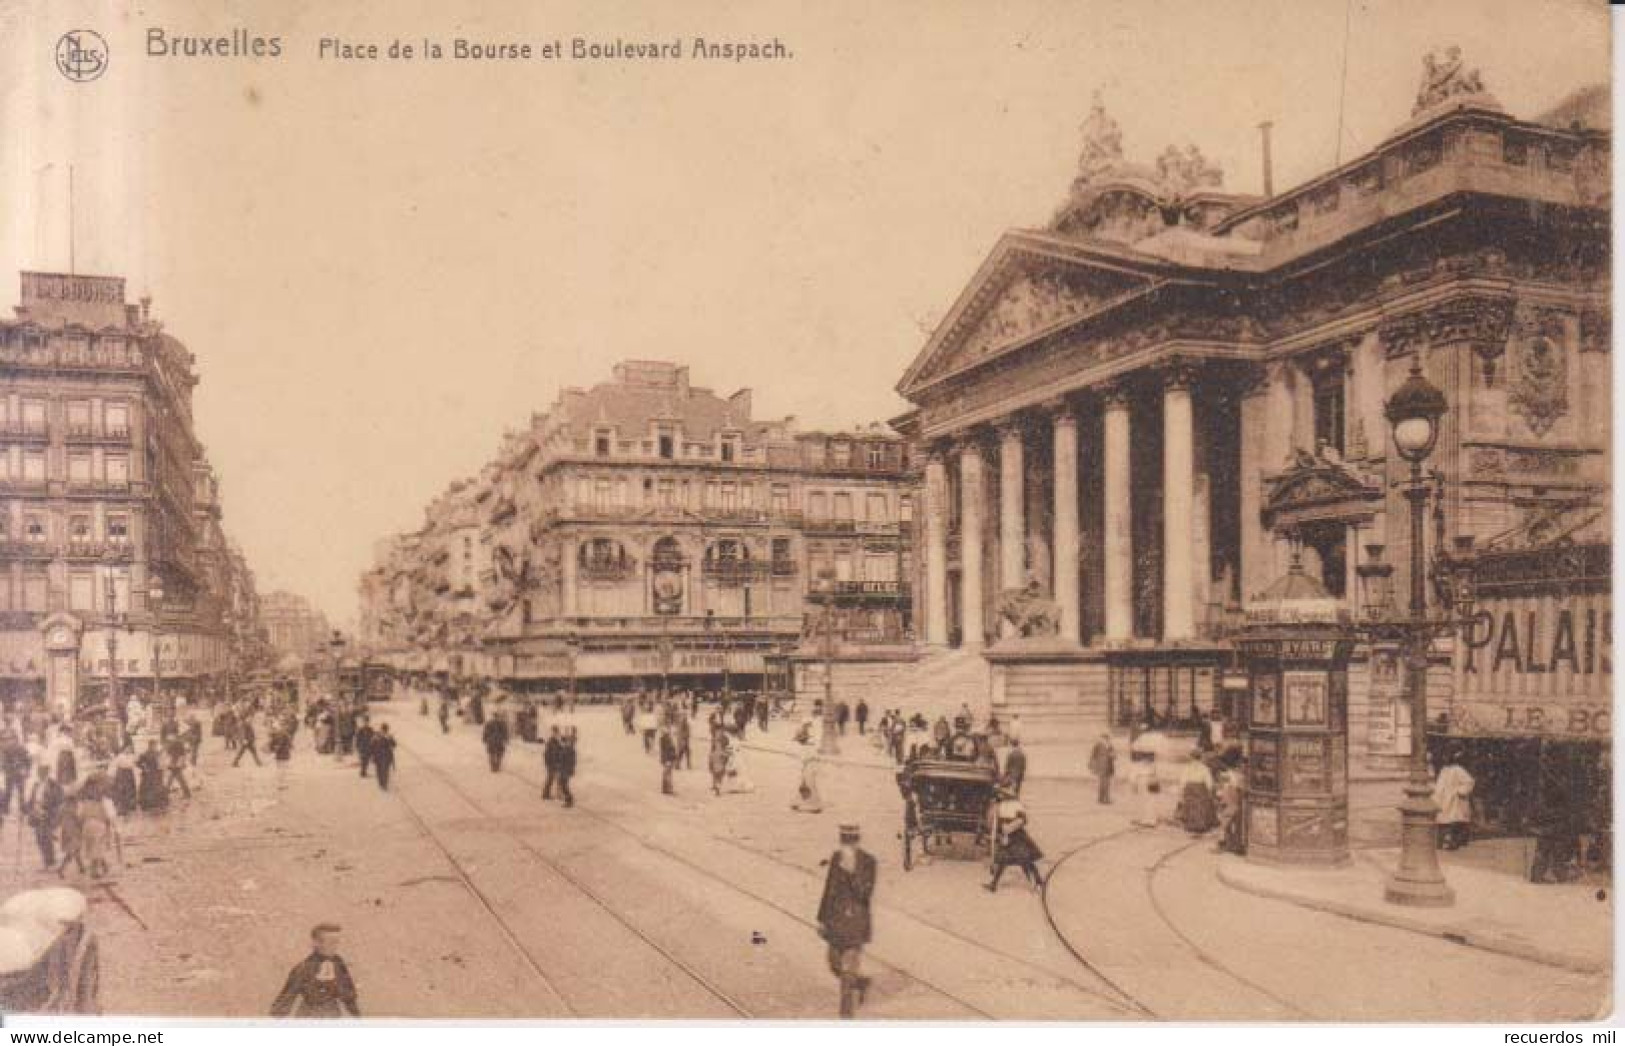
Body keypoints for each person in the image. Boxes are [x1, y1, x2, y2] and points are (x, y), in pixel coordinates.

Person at [817, 824, 875, 1018]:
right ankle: (861, 983)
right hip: (835, 923)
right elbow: (828, 889)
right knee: (834, 964)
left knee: (847, 974)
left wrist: (850, 872)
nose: (846, 845)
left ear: (856, 841)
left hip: (855, 925)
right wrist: (822, 919)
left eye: (849, 841)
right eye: (844, 840)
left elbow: (864, 893)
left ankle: (846, 1018)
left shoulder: (868, 862)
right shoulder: (836, 858)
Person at [270, 923, 361, 1018]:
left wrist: (357, 1016)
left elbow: (349, 992)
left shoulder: (338, 962)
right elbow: (287, 997)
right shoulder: (304, 967)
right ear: (316, 943)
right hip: (309, 1014)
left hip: (333, 1013)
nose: (335, 946)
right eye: (331, 942)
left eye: (337, 942)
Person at [986, 783, 1045, 893]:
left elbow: (1023, 820)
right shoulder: (1001, 805)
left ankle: (1038, 881)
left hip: (1017, 836)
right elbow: (997, 822)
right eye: (1000, 793)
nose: (1001, 795)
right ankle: (993, 884)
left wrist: (1009, 828)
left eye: (1002, 793)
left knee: (1025, 860)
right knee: (1003, 859)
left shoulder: (1016, 805)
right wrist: (1000, 833)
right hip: (1006, 836)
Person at [1433, 748, 1475, 850]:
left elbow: (1469, 781)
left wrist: (1460, 791)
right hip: (1444, 798)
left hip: (1455, 800)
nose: (1445, 759)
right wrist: (1436, 795)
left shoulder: (1458, 769)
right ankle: (1440, 842)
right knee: (1442, 821)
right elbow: (1439, 785)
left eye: (1447, 757)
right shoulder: (1444, 770)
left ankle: (1454, 843)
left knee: (1454, 822)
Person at [24, 763, 63, 869]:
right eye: (39, 772)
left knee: (45, 838)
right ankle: (46, 861)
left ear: (47, 773)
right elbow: (32, 799)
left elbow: (59, 800)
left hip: (48, 815)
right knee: (39, 839)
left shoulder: (54, 785)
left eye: (42, 772)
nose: (40, 774)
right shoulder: (36, 785)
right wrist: (26, 807)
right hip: (36, 814)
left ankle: (50, 862)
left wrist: (50, 810)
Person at [1174, 751, 1219, 834]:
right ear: (1200, 757)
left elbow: (1183, 780)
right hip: (1200, 787)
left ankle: (1191, 825)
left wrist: (1181, 789)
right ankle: (1200, 825)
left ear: (1191, 757)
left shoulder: (1188, 767)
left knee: (1191, 805)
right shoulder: (1204, 768)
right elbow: (1209, 781)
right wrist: (1209, 789)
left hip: (1190, 787)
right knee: (1200, 805)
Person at [137, 740, 168, 812]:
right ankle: (147, 805)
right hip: (148, 774)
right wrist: (144, 768)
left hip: (157, 773)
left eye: (155, 746)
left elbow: (160, 762)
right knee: (147, 788)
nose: (155, 747)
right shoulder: (145, 754)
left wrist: (161, 768)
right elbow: (138, 763)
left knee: (158, 788)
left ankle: (158, 804)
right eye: (154, 745)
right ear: (150, 746)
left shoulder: (157, 753)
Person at [1088, 733, 1117, 805]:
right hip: (1101, 767)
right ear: (1102, 739)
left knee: (1106, 783)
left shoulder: (1110, 747)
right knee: (1103, 783)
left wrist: (1112, 755)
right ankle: (1103, 799)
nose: (1106, 741)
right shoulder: (1098, 746)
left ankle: (1104, 798)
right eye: (1105, 739)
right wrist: (1092, 766)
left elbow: (1115, 756)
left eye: (1107, 739)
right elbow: (1093, 756)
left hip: (1109, 767)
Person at [164, 732, 192, 800]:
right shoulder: (179, 743)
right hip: (176, 763)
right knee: (176, 778)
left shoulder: (173, 744)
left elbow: (169, 752)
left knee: (174, 779)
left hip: (175, 763)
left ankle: (166, 794)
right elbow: (184, 753)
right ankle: (187, 793)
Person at [110, 751, 138, 817]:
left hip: (129, 774)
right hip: (122, 774)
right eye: (127, 748)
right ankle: (121, 809)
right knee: (121, 791)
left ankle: (128, 808)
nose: (128, 750)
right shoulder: (120, 756)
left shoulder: (132, 756)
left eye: (130, 748)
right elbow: (115, 765)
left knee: (129, 791)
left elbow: (133, 765)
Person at [370, 725, 396, 791]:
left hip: (386, 757)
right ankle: (381, 783)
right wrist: (372, 756)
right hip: (378, 756)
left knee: (385, 771)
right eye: (383, 730)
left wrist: (389, 739)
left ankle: (384, 784)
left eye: (385, 730)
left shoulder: (389, 736)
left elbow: (394, 745)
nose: (384, 732)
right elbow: (372, 746)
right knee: (379, 771)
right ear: (381, 730)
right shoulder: (376, 737)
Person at [542, 726, 564, 800]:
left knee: (555, 779)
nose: (556, 734)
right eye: (555, 733)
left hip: (556, 763)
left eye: (557, 733)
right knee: (551, 778)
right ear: (552, 733)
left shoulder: (556, 742)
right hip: (551, 764)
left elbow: (560, 751)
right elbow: (547, 754)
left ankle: (556, 794)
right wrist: (549, 763)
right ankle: (545, 794)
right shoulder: (551, 742)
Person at [555, 732, 576, 808]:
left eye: (564, 742)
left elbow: (571, 761)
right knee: (563, 785)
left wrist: (569, 770)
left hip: (565, 771)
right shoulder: (566, 749)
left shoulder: (569, 750)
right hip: (564, 770)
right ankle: (568, 799)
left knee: (563, 785)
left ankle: (569, 799)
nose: (563, 743)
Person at [658, 725, 678, 796]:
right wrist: (671, 759)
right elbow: (668, 750)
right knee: (668, 774)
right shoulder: (667, 740)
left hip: (666, 759)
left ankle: (665, 789)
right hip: (668, 759)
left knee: (666, 773)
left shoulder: (664, 739)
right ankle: (669, 789)